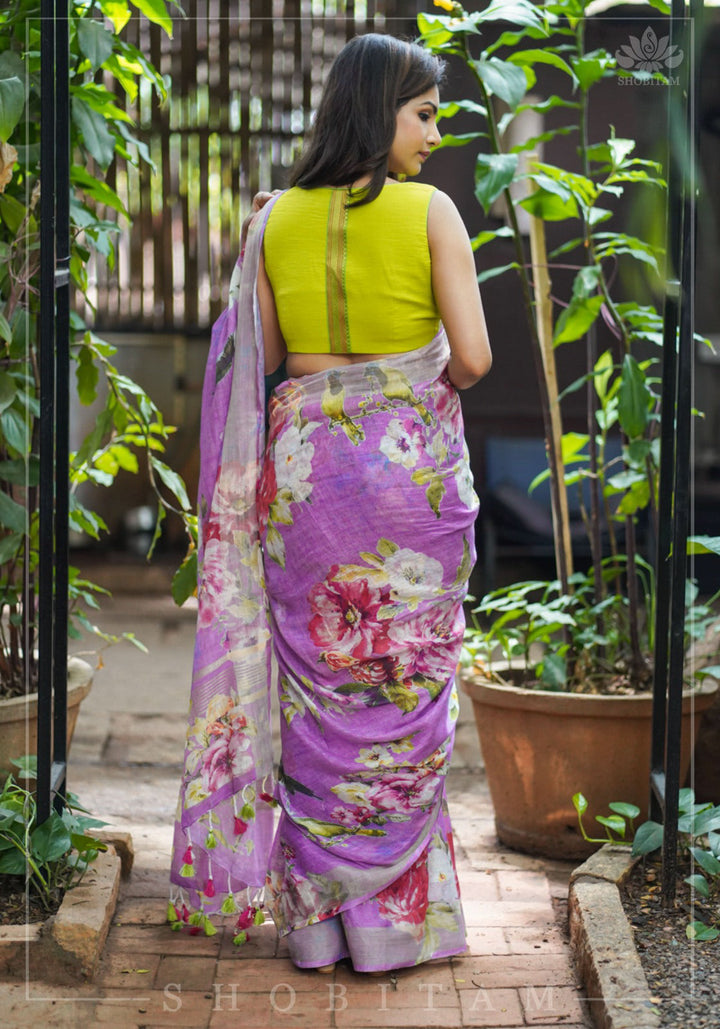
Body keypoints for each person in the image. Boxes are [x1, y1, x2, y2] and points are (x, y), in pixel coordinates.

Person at [170, 32, 491, 976]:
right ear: (376, 110)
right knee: (397, 686)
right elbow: (472, 361)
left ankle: (316, 929)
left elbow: (259, 360)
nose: (434, 133)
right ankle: (395, 930)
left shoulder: (272, 221)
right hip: (408, 485)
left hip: (305, 478)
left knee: (318, 691)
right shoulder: (432, 212)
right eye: (423, 113)